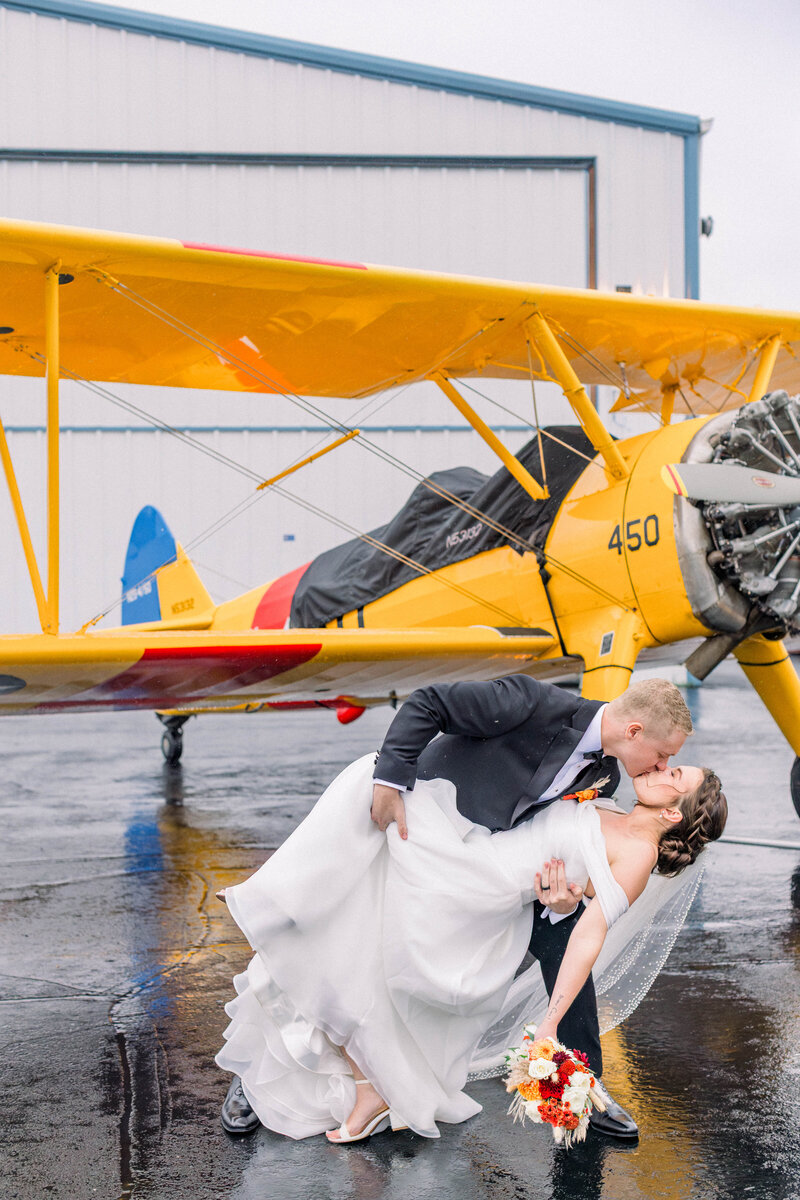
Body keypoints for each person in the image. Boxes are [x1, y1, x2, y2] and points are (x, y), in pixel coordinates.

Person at [216, 675, 724, 1142]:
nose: (660, 767)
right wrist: (391, 782)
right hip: (428, 824)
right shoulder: (535, 704)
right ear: (634, 731)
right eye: (663, 756)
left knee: (560, 937)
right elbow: (429, 703)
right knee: (327, 912)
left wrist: (573, 895)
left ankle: (580, 1080)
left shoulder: (608, 782)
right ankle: (256, 1075)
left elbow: (593, 871)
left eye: (669, 768)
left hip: (488, 876)